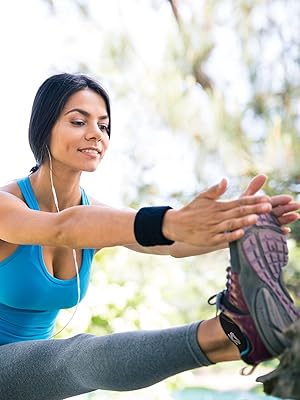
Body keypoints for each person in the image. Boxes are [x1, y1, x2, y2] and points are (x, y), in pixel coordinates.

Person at [0, 73, 298, 400]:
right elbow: (62, 228)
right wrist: (171, 221)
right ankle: (227, 334)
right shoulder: (7, 205)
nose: (95, 134)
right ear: (44, 127)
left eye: (104, 126)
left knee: (70, 360)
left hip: (35, 374)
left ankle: (241, 339)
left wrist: (234, 225)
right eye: (78, 121)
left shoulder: (92, 215)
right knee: (78, 357)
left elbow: (170, 244)